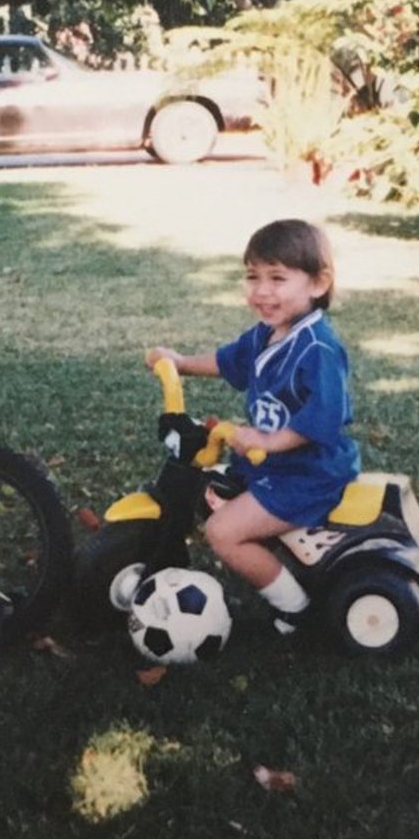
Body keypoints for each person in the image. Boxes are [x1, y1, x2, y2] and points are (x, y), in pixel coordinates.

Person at [146, 218, 360, 633]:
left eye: (278, 278)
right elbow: (230, 361)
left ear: (318, 283)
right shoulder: (267, 333)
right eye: (252, 276)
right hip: (271, 465)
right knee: (207, 488)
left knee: (222, 531)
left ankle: (296, 606)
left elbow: (325, 420)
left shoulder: (317, 349)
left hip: (308, 474)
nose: (262, 290)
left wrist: (269, 440)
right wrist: (182, 363)